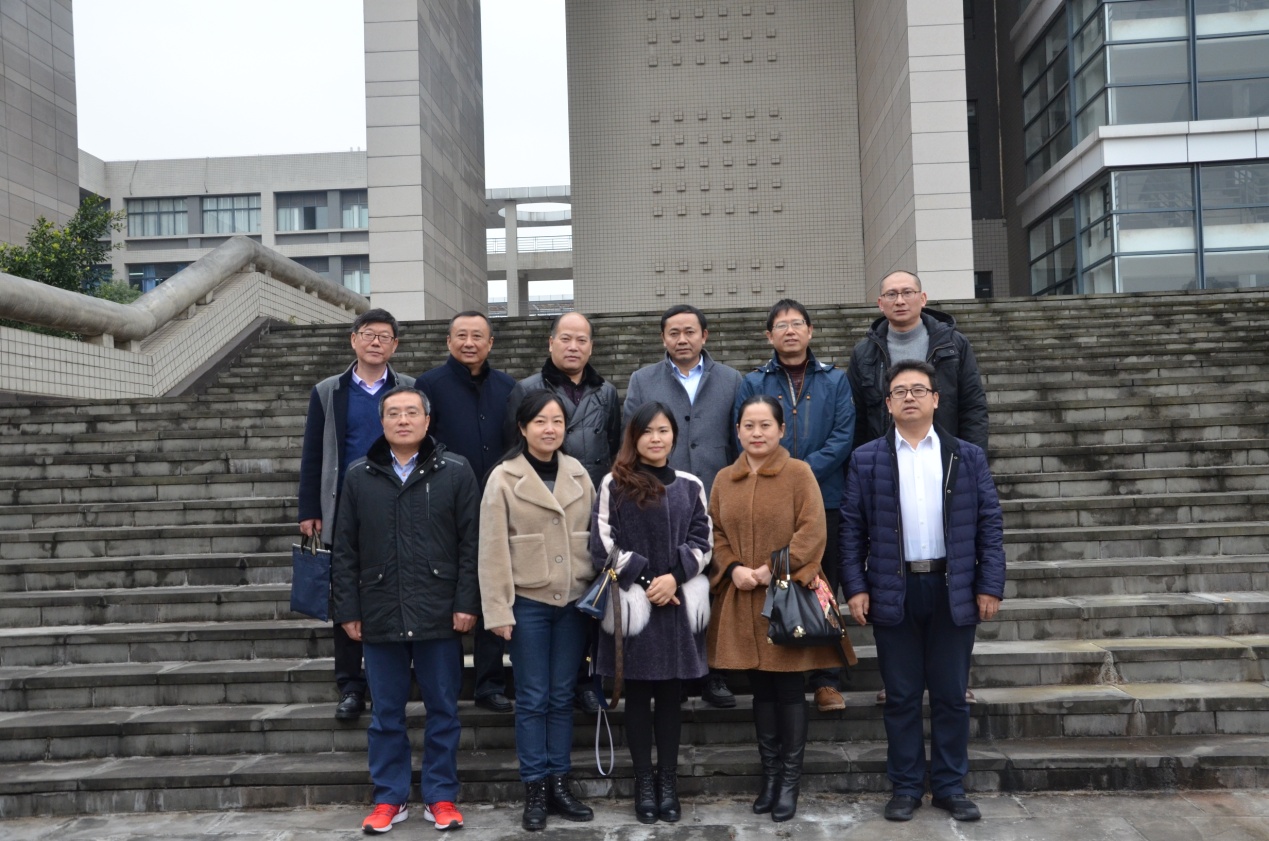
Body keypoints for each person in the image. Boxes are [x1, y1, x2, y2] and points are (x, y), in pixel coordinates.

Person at [839, 360, 1005, 824]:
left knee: (951, 695)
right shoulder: (867, 458)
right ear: (888, 404)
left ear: (936, 399)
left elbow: (990, 526)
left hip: (954, 588)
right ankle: (907, 786)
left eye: (918, 389)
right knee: (902, 696)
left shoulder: (965, 456)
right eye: (900, 391)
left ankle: (950, 786)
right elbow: (851, 530)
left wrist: (989, 585)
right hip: (894, 588)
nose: (909, 397)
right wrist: (855, 587)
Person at [331, 386, 480, 834]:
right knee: (386, 714)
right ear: (382, 422)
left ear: (427, 420)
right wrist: (347, 609)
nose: (402, 420)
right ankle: (389, 798)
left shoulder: (456, 470)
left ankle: (440, 796)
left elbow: (472, 545)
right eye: (393, 413)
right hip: (380, 608)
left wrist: (467, 602)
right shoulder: (359, 475)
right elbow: (345, 549)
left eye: (411, 412)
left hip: (439, 610)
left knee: (443, 711)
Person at [846, 270, 989, 706]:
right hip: (887, 465)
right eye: (891, 294)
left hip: (946, 464)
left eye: (908, 292)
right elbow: (857, 416)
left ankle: (952, 680)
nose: (900, 300)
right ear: (880, 303)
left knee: (952, 581)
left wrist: (968, 463)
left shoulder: (953, 343)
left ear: (923, 298)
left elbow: (973, 405)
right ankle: (900, 680)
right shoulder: (866, 352)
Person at [707, 394, 851, 823]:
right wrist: (733, 568)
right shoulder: (724, 479)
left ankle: (789, 781)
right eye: (748, 426)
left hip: (786, 600)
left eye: (765, 425)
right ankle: (769, 777)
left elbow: (812, 530)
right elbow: (714, 532)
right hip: (742, 599)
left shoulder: (798, 473)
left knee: (788, 691)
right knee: (760, 691)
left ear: (781, 429)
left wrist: (772, 569)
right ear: (737, 431)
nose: (757, 433)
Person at [479, 391, 597, 832]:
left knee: (562, 696)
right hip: (527, 603)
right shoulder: (503, 477)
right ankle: (534, 788)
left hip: (573, 603)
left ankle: (559, 784)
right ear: (523, 428)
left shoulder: (579, 473)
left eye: (558, 422)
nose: (550, 429)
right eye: (541, 421)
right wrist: (498, 611)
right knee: (532, 698)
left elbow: (595, 534)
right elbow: (491, 549)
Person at [590, 402, 712, 825]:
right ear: (634, 436)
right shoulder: (614, 483)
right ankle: (644, 782)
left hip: (675, 606)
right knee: (638, 695)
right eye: (647, 431)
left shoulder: (691, 485)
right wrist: (647, 581)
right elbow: (602, 544)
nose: (656, 438)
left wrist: (673, 579)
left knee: (671, 698)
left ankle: (668, 782)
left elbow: (704, 541)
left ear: (674, 435)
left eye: (663, 430)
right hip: (633, 606)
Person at [734, 299, 855, 713]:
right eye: (781, 325)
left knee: (822, 584)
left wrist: (798, 473)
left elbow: (843, 435)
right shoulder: (754, 381)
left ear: (810, 330)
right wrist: (780, 476)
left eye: (797, 323)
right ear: (769, 335)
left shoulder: (835, 380)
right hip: (767, 499)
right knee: (777, 583)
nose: (790, 331)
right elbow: (745, 431)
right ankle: (780, 670)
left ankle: (826, 680)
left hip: (826, 496)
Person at [297, 308, 414, 722]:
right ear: (353, 340)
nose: (375, 342)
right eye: (368, 334)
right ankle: (350, 685)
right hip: (345, 507)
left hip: (400, 504)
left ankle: (393, 680)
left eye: (384, 336)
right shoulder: (329, 391)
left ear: (394, 345)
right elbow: (313, 452)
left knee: (397, 590)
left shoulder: (409, 389)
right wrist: (310, 509)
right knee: (346, 595)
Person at [622, 304, 741, 710]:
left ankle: (714, 673)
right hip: (657, 500)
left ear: (704, 336)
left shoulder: (730, 379)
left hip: (715, 494)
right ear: (663, 338)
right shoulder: (643, 380)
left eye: (690, 331)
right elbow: (631, 436)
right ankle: (675, 669)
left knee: (713, 582)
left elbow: (737, 440)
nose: (682, 339)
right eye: (673, 332)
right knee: (671, 582)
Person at [505, 310, 622, 712]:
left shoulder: (606, 392)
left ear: (591, 346)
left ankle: (587, 680)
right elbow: (513, 448)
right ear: (551, 342)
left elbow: (612, 445)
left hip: (590, 504)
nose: (574, 347)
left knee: (590, 591)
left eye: (582, 340)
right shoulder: (526, 388)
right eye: (566, 339)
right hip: (542, 503)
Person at [415, 310, 517, 714]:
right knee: (448, 588)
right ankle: (448, 683)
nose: (469, 343)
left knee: (493, 585)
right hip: (445, 501)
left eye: (478, 336)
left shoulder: (508, 387)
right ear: (448, 341)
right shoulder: (430, 385)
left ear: (490, 343)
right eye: (461, 335)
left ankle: (490, 684)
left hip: (498, 500)